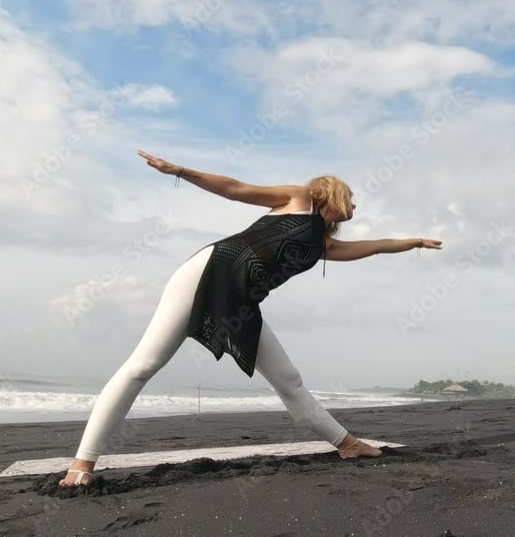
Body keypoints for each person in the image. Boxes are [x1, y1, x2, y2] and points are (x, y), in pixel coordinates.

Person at [59, 150, 443, 486]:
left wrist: (414, 242)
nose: (356, 208)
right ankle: (82, 463)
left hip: (241, 300)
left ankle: (347, 445)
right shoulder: (300, 198)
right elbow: (236, 188)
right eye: (353, 200)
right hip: (207, 273)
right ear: (334, 193)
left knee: (289, 379)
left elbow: (374, 247)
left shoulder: (324, 246)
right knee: (142, 366)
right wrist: (179, 170)